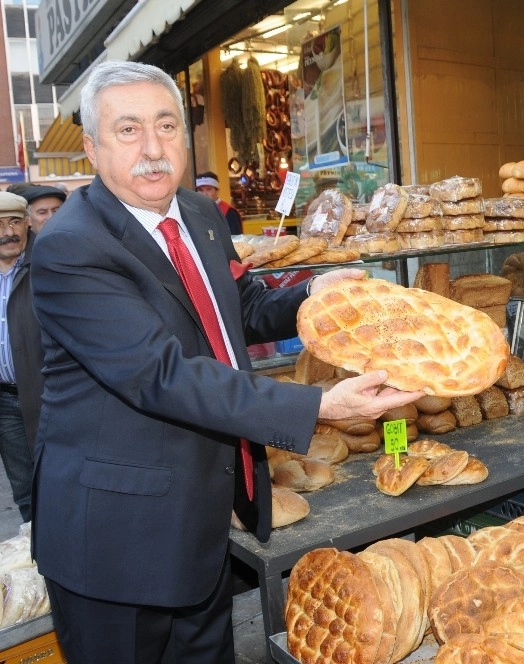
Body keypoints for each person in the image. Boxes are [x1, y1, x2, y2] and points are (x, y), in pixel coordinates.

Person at [29, 60, 423, 664]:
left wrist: (312, 297)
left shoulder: (201, 217)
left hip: (202, 523)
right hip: (116, 544)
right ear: (91, 147)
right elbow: (160, 373)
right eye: (129, 130)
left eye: (166, 127)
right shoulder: (70, 247)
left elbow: (236, 306)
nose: (154, 148)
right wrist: (318, 405)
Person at [0, 192, 41, 523]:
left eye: (14, 222)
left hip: (45, 395)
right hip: (3, 403)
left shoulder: (46, 264)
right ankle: (35, 563)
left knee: (57, 479)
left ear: (27, 222)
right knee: (24, 489)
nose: (8, 232)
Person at [195, 171, 243, 235]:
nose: (204, 194)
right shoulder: (194, 211)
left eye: (208, 189)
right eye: (200, 190)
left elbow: (236, 239)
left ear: (217, 191)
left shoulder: (229, 212)